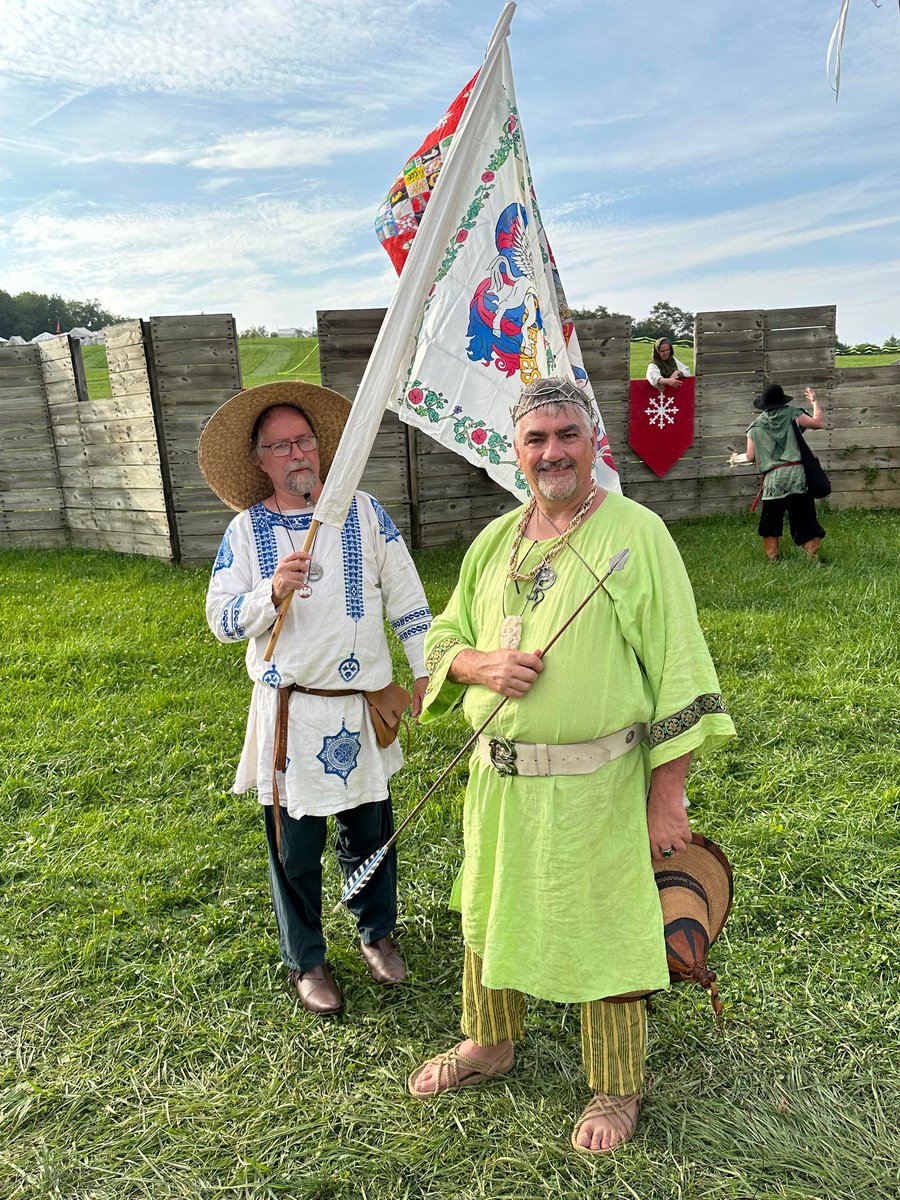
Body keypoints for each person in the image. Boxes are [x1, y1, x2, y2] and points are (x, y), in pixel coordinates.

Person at [408, 376, 735, 1154]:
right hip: (501, 782)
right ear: (515, 452)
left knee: (608, 928)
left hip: (601, 783)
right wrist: (480, 665)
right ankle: (489, 1043)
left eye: (566, 435)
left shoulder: (637, 534)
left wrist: (668, 795)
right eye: (535, 439)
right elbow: (442, 636)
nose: (551, 451)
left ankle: (617, 1087)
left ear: (593, 444)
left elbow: (678, 669)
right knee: (492, 908)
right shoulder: (495, 543)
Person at [200, 381, 431, 1016]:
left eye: (304, 440)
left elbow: (409, 600)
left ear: (320, 448)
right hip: (291, 716)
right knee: (294, 848)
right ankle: (307, 958)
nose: (296, 453)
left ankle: (375, 931)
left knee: (371, 830)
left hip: (361, 706)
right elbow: (220, 620)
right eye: (281, 446)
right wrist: (269, 594)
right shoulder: (247, 531)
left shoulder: (364, 512)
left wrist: (424, 671)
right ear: (261, 460)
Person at [745, 382, 826, 561]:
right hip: (797, 476)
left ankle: (773, 560)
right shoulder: (793, 414)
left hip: (773, 481)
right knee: (805, 520)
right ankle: (812, 559)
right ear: (782, 401)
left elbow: (750, 456)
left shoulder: (755, 426)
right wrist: (814, 402)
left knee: (771, 523)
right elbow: (818, 423)